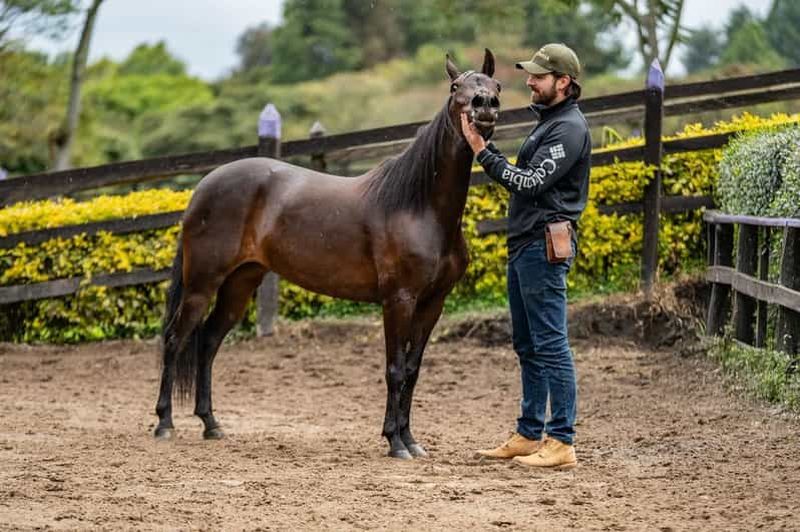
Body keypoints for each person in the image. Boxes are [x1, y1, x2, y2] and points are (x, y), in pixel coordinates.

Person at [460, 43, 591, 469]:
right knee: (528, 344)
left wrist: (482, 151)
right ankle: (530, 432)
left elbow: (530, 183)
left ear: (563, 82)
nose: (530, 81)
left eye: (538, 76)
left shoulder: (568, 129)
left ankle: (562, 441)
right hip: (526, 245)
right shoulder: (550, 123)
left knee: (551, 343)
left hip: (543, 245)